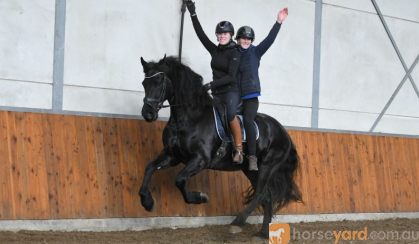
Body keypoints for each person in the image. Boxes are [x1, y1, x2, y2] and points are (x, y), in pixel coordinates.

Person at [185, 1, 243, 163]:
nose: (221, 36)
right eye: (219, 34)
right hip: (217, 93)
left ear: (231, 35)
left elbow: (231, 77)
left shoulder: (235, 53)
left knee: (230, 114)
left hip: (231, 91)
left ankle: (239, 149)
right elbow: (201, 34)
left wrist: (210, 85)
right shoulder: (215, 50)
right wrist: (193, 13)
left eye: (225, 34)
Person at [236, 8, 289, 171]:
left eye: (249, 39)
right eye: (243, 38)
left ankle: (252, 157)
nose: (246, 41)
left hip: (250, 97)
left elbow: (270, 39)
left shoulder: (256, 52)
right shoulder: (232, 53)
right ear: (238, 39)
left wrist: (278, 22)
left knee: (247, 120)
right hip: (235, 96)